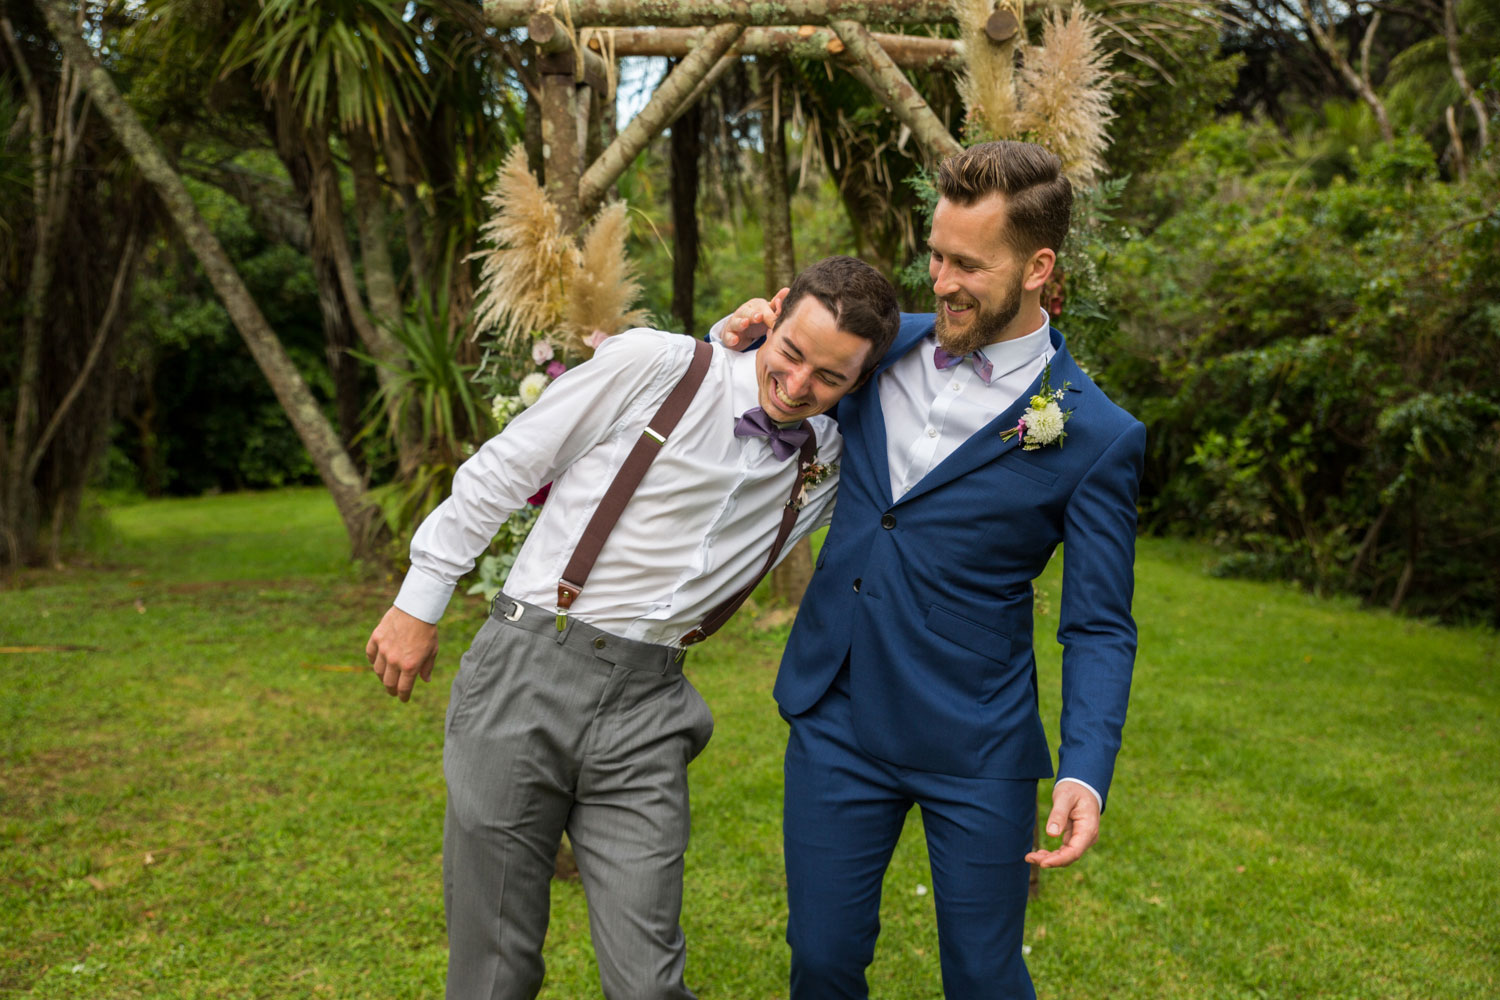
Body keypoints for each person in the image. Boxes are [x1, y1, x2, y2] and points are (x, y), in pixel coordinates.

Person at [364, 255, 900, 1000]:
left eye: (830, 378)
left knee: (649, 981)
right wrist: (418, 601)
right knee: (493, 967)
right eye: (791, 354)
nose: (799, 385)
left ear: (857, 384)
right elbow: (507, 467)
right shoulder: (658, 365)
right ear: (772, 315)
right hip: (529, 668)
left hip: (652, 707)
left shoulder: (829, 461)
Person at [717, 140, 1146, 999]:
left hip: (976, 741)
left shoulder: (1095, 435)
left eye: (965, 264)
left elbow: (1098, 623)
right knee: (823, 960)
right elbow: (773, 387)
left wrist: (1083, 770)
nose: (939, 281)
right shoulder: (877, 349)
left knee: (986, 977)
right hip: (836, 714)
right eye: (935, 255)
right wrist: (735, 339)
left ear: (1038, 267)